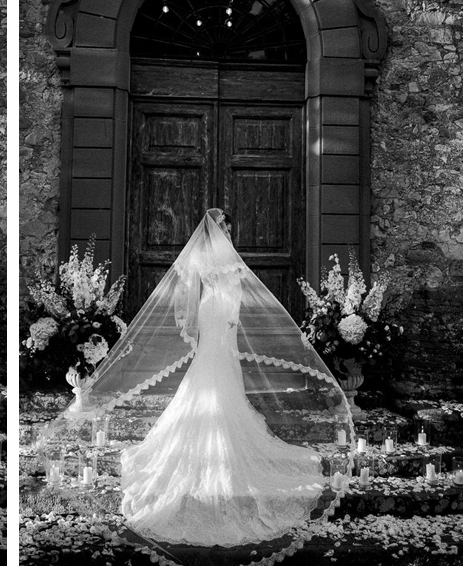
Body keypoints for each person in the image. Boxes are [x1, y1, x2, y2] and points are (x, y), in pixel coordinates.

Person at [52, 207, 353, 549]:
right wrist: (215, 319)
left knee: (220, 368)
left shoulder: (212, 258)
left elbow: (206, 293)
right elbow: (193, 293)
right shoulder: (216, 259)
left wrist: (222, 318)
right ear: (217, 230)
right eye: (224, 228)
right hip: (217, 313)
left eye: (226, 228)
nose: (226, 233)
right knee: (211, 367)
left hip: (221, 313)